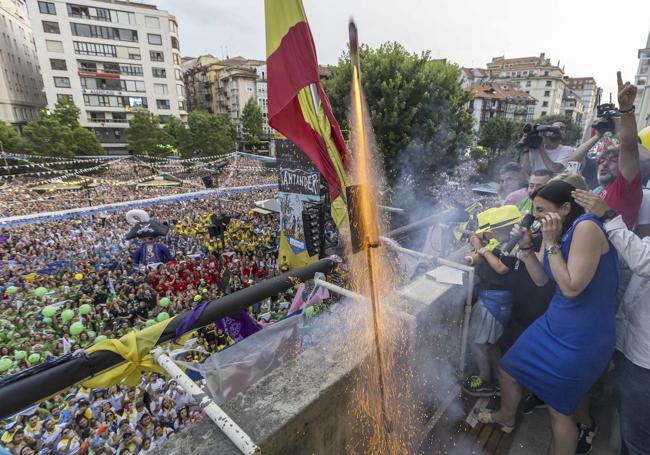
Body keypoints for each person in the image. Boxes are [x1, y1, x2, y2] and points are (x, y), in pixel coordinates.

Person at [476, 180, 618, 455]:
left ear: (565, 208)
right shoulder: (558, 230)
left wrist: (550, 243)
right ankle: (506, 416)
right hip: (555, 322)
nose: (536, 216)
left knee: (558, 410)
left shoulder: (586, 227)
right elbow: (541, 279)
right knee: (508, 368)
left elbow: (571, 286)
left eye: (541, 210)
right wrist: (528, 248)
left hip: (583, 334)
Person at [573, 188, 650, 455]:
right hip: (629, 342)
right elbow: (631, 261)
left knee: (639, 435)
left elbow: (643, 261)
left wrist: (607, 215)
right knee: (624, 410)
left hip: (646, 360)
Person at [462, 206, 521, 396]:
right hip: (496, 300)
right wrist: (471, 258)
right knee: (492, 343)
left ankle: (486, 380)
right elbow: (483, 255)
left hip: (493, 302)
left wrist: (480, 248)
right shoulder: (501, 243)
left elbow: (501, 268)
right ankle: (497, 380)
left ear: (497, 230)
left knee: (476, 342)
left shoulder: (512, 245)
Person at [593, 72, 643, 230]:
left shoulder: (625, 188)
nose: (604, 164)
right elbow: (572, 163)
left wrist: (626, 110)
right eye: (601, 161)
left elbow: (628, 146)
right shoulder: (597, 192)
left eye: (613, 160)